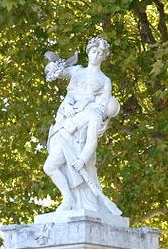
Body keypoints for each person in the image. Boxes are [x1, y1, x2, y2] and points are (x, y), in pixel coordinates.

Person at [43, 37, 122, 215]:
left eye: (101, 53)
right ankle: (68, 199)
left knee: (73, 168)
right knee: (51, 167)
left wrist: (90, 110)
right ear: (89, 52)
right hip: (64, 121)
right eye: (94, 51)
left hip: (82, 127)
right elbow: (55, 72)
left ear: (104, 57)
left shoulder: (105, 80)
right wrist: (52, 67)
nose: (96, 55)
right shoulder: (77, 70)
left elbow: (102, 107)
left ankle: (74, 201)